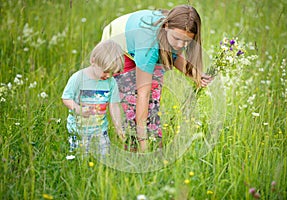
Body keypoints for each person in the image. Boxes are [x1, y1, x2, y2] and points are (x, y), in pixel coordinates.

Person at [101, 5, 212, 152]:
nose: (180, 45)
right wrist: (144, 144)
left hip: (147, 45)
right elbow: (143, 94)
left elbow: (174, 55)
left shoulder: (175, 34)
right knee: (132, 100)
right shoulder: (148, 44)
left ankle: (154, 141)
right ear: (166, 26)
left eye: (186, 42)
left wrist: (196, 75)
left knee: (153, 99)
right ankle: (135, 146)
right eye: (177, 39)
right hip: (120, 47)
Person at [62, 40, 125, 156]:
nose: (108, 76)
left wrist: (118, 127)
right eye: (106, 71)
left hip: (100, 131)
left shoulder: (111, 83)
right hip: (78, 130)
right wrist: (78, 109)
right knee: (80, 158)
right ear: (93, 61)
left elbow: (114, 105)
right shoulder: (78, 78)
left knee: (104, 156)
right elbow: (66, 98)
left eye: (112, 73)